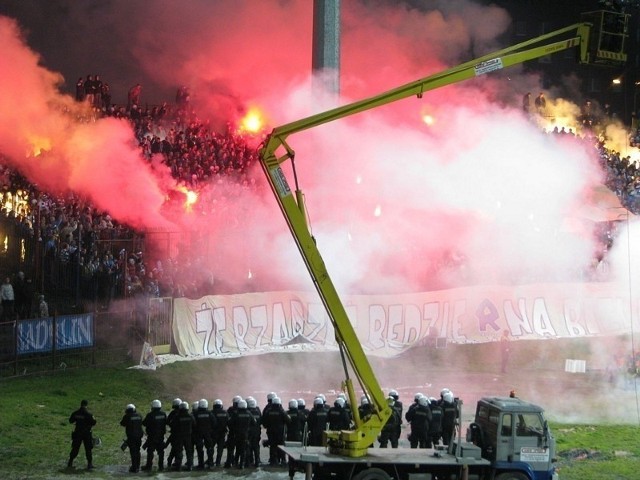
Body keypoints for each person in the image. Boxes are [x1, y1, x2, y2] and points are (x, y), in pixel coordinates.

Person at [67, 399, 97, 470]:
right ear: (86, 405)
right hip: (86, 434)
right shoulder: (89, 414)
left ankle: (70, 462)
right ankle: (89, 464)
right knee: (88, 449)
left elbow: (71, 420)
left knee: (75, 448)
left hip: (77, 433)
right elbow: (94, 422)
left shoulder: (75, 413)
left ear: (81, 404)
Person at [169, 401, 196, 471]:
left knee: (179, 451)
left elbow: (172, 425)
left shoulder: (177, 416)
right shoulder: (190, 416)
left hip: (179, 436)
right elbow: (194, 424)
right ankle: (190, 466)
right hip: (188, 436)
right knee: (189, 451)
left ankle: (178, 466)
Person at [142, 399, 167, 472]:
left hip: (152, 436)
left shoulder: (150, 415)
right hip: (160, 436)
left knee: (150, 452)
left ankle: (149, 466)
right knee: (161, 452)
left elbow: (144, 423)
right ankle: (161, 466)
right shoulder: (163, 414)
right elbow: (166, 422)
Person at [120, 403, 144, 473]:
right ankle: (138, 466)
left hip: (131, 437)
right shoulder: (139, 415)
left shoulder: (127, 416)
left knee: (133, 452)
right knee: (137, 450)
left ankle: (134, 467)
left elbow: (122, 423)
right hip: (139, 436)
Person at [193, 399, 216, 469]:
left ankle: (201, 464)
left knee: (199, 449)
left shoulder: (195, 413)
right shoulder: (209, 413)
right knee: (210, 448)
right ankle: (210, 463)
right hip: (207, 433)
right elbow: (214, 423)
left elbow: (193, 423)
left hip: (198, 433)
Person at [211, 399, 229, 467]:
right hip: (222, 433)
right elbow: (229, 422)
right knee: (220, 448)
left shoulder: (211, 412)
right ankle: (218, 462)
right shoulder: (225, 413)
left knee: (211, 447)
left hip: (213, 433)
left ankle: (210, 461)